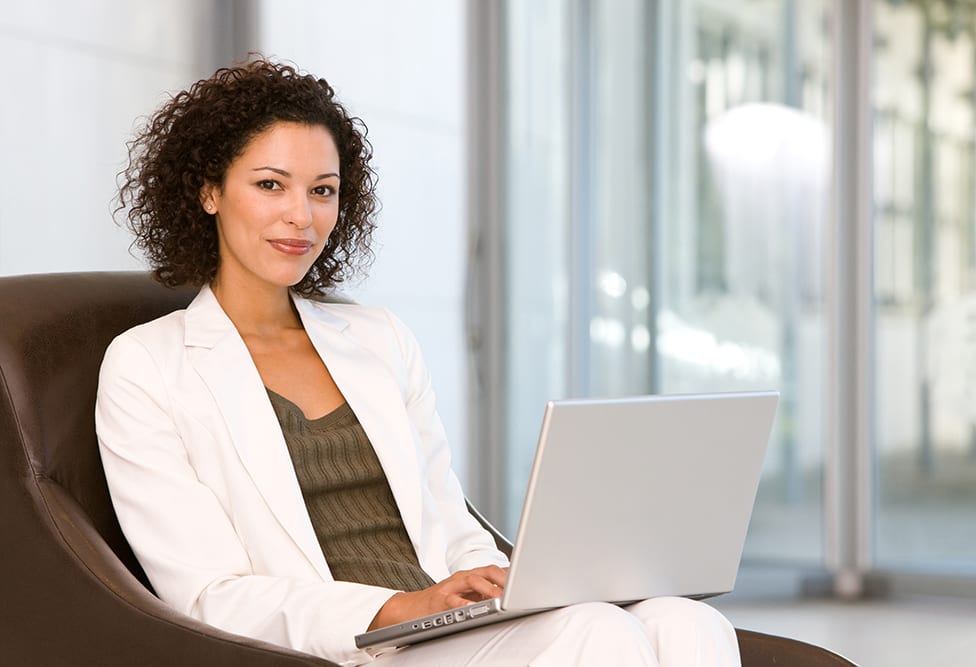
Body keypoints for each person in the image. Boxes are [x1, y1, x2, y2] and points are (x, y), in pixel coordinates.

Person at [97, 57, 741, 666]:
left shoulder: (379, 338)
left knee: (690, 622)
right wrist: (398, 607)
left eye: (324, 191)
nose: (302, 216)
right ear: (209, 191)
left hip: (447, 626)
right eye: (271, 185)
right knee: (596, 631)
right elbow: (208, 594)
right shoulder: (147, 368)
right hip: (353, 643)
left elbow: (446, 516)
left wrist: (487, 578)